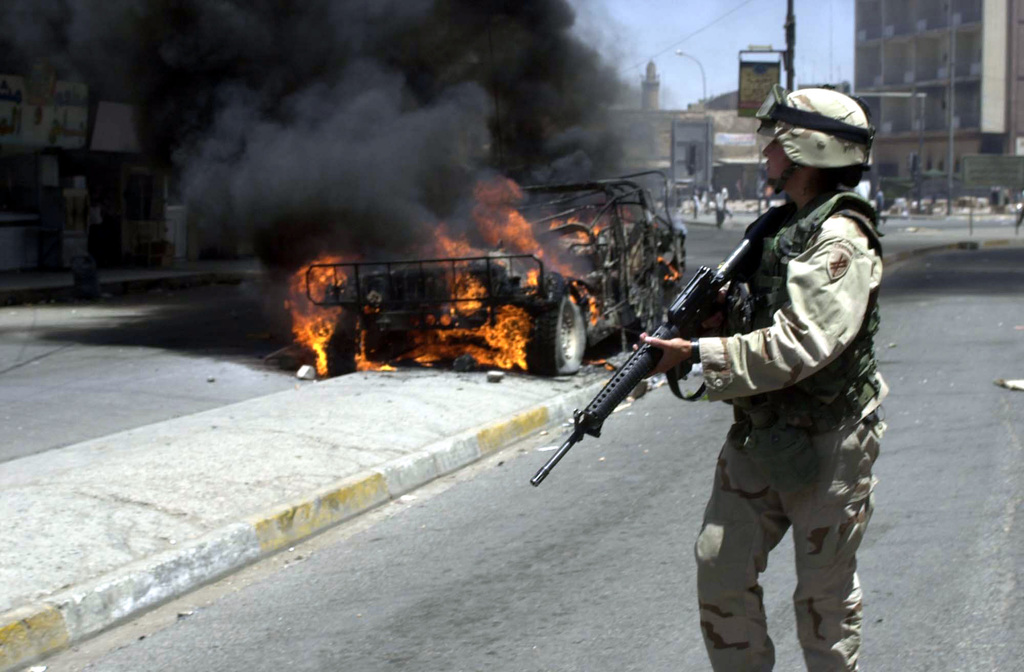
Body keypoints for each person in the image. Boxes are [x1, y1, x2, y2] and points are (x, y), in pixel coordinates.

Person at [640, 85, 887, 671]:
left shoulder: (840, 239)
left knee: (822, 601)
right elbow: (773, 316)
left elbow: (806, 342)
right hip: (763, 428)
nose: (765, 154)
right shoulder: (782, 226)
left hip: (830, 438)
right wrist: (727, 318)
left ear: (806, 153)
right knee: (720, 569)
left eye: (775, 143)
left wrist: (700, 354)